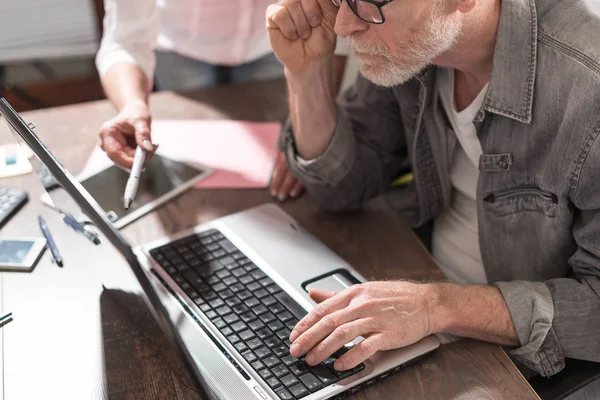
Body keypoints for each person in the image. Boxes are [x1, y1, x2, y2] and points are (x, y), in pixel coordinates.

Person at [266, 0, 600, 390]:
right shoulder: (412, 50)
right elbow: (343, 186)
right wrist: (305, 74)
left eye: (366, 2)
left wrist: (434, 307)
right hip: (418, 293)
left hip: (521, 362)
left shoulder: (587, 91)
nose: (342, 26)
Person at [94, 0, 349, 201]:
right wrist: (132, 105)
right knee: (199, 174)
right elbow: (125, 39)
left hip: (279, 41)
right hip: (182, 48)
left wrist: (306, 134)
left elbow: (332, 23)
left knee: (289, 172)